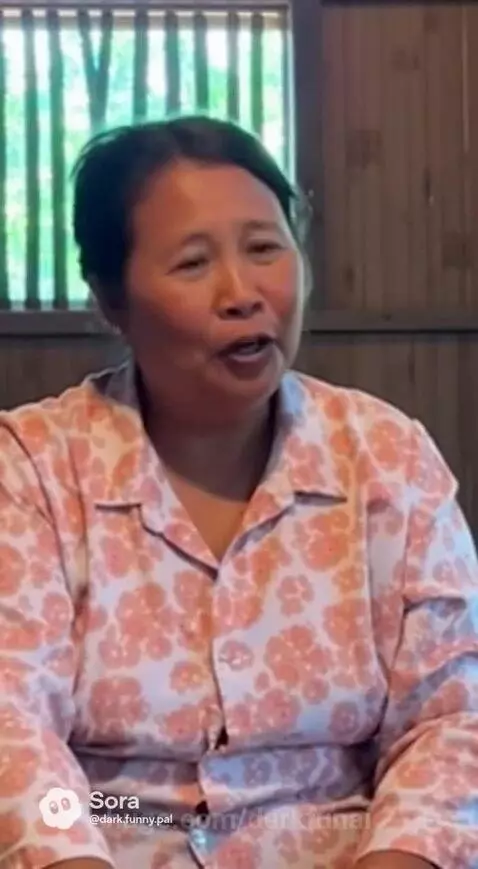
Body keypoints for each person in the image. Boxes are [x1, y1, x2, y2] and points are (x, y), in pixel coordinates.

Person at [0, 116, 477, 869]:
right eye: (193, 264)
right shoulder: (32, 469)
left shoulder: (388, 458)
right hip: (104, 820)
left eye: (264, 249)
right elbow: (12, 726)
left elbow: (453, 718)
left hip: (348, 843)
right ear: (109, 297)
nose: (242, 293)